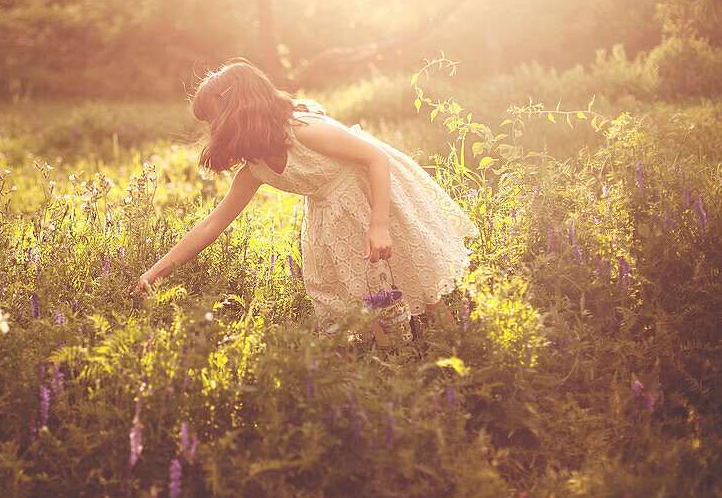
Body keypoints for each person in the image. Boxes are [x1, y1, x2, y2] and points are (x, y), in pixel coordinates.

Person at [136, 58, 478, 333]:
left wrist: (379, 223)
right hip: (331, 218)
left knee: (422, 287)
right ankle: (379, 369)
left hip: (376, 195)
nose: (213, 130)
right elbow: (212, 225)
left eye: (214, 119)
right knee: (352, 306)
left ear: (238, 113)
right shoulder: (254, 169)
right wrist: (156, 272)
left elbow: (377, 159)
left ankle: (460, 354)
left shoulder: (304, 131)